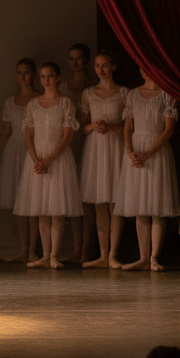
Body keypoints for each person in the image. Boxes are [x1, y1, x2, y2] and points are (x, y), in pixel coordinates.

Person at [12, 62, 81, 269]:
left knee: (56, 209)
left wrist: (49, 160)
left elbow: (67, 136)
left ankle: (53, 255)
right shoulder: (33, 104)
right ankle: (44, 255)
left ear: (58, 78)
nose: (46, 80)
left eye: (50, 76)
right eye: (43, 76)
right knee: (42, 208)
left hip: (58, 157)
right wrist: (36, 160)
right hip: (37, 157)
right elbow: (29, 135)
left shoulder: (66, 103)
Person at [115, 69, 180, 271]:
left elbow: (168, 129)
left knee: (157, 207)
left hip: (156, 151)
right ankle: (143, 257)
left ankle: (153, 258)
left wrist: (149, 153)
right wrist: (130, 152)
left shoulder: (166, 94)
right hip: (136, 152)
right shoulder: (133, 94)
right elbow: (128, 128)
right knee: (140, 208)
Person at [77, 51, 128, 268]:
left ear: (113, 67)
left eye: (105, 65)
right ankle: (103, 255)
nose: (100, 70)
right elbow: (81, 126)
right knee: (99, 203)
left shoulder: (124, 93)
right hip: (96, 149)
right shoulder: (88, 93)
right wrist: (93, 126)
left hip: (116, 147)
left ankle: (113, 254)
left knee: (115, 203)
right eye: (97, 65)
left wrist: (112, 126)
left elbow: (131, 125)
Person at [0, 59, 40, 263]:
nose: (23, 76)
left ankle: (33, 249)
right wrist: (2, 152)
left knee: (33, 203)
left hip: (32, 149)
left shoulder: (39, 99)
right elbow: (7, 130)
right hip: (14, 151)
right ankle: (23, 249)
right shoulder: (9, 101)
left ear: (33, 74)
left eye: (27, 72)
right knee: (19, 203)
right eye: (20, 72)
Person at [60, 43, 95, 263]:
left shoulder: (92, 86)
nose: (75, 62)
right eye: (71, 58)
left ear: (87, 60)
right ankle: (76, 248)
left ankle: (86, 250)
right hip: (68, 142)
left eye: (79, 58)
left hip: (88, 140)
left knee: (88, 197)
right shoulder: (63, 87)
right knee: (73, 196)